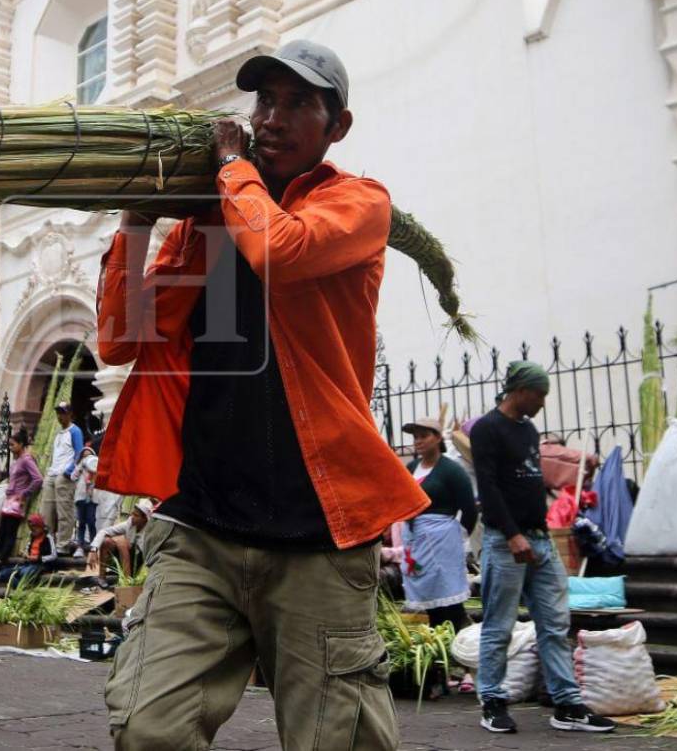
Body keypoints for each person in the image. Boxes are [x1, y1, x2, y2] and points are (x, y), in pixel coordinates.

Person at [95, 40, 430, 750]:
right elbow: (124, 336)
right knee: (147, 730)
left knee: (335, 742)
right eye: (263, 102)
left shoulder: (356, 204)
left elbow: (280, 248)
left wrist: (229, 168)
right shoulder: (207, 225)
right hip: (200, 528)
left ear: (337, 126)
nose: (271, 118)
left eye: (296, 104)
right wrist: (136, 219)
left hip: (316, 538)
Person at [472, 361, 616, 735]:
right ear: (520, 391)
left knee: (554, 623)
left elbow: (535, 479)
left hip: (540, 538)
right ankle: (492, 700)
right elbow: (487, 488)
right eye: (540, 395)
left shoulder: (529, 430)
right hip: (507, 543)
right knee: (499, 625)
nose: (542, 402)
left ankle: (567, 704)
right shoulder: (488, 429)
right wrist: (512, 534)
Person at [399, 418, 478, 695]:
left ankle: (460, 666)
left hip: (443, 541)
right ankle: (437, 674)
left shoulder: (451, 471)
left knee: (449, 608)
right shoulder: (410, 468)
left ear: (437, 438)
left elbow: (469, 508)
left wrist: (456, 535)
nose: (418, 441)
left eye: (423, 435)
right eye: (415, 436)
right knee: (430, 609)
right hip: (417, 542)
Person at [0, 428, 42, 565]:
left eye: (13, 445)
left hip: (17, 501)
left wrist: (24, 494)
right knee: (2, 531)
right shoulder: (16, 462)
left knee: (10, 531)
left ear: (21, 444)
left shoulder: (26, 460)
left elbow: (37, 479)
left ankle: (1, 558)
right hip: (9, 499)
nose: (11, 448)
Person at [40, 402, 84, 551]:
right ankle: (48, 543)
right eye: (58, 413)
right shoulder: (58, 434)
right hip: (52, 473)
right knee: (46, 511)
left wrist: (69, 471)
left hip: (64, 475)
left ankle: (63, 544)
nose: (60, 416)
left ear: (70, 414)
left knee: (64, 510)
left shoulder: (75, 431)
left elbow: (79, 453)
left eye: (63, 413)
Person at [87, 498, 153, 587]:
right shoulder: (129, 524)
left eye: (136, 515)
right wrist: (93, 549)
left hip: (138, 563)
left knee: (121, 541)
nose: (132, 517)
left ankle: (127, 581)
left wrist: (124, 544)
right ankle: (101, 578)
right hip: (122, 559)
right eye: (132, 514)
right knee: (107, 542)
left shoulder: (150, 531)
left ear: (144, 519)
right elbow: (104, 531)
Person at [0, 513, 57, 586]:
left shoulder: (48, 538)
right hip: (28, 564)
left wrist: (38, 558)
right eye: (31, 528)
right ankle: (21, 586)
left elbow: (53, 555)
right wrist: (25, 554)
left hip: (40, 565)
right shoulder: (32, 536)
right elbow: (28, 548)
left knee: (24, 573)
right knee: (3, 574)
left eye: (34, 527)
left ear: (40, 526)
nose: (33, 530)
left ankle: (21, 586)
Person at [72, 445, 99, 553]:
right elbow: (72, 477)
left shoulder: (96, 471)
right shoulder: (80, 469)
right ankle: (80, 546)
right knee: (81, 522)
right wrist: (80, 466)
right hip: (81, 497)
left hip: (93, 499)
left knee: (91, 522)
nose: (87, 459)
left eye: (89, 456)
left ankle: (93, 545)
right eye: (84, 457)